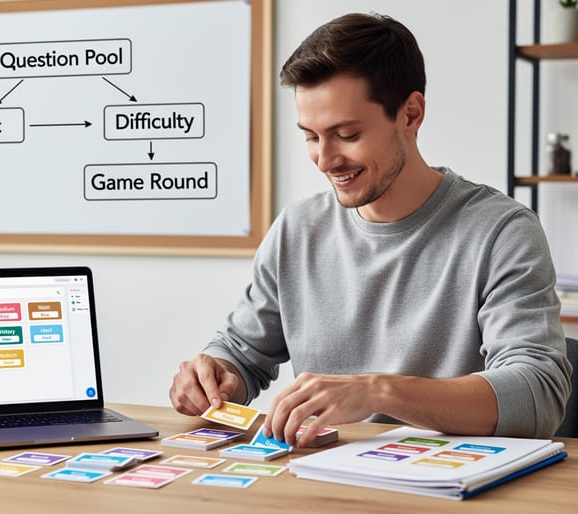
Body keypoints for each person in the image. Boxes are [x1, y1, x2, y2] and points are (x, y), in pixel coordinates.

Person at [169, 12, 572, 447]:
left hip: (450, 477)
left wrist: (378, 392)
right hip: (320, 475)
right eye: (311, 137)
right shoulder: (297, 230)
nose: (325, 160)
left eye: (346, 134)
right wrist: (216, 375)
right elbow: (241, 354)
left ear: (411, 114)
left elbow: (537, 394)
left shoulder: (501, 231)